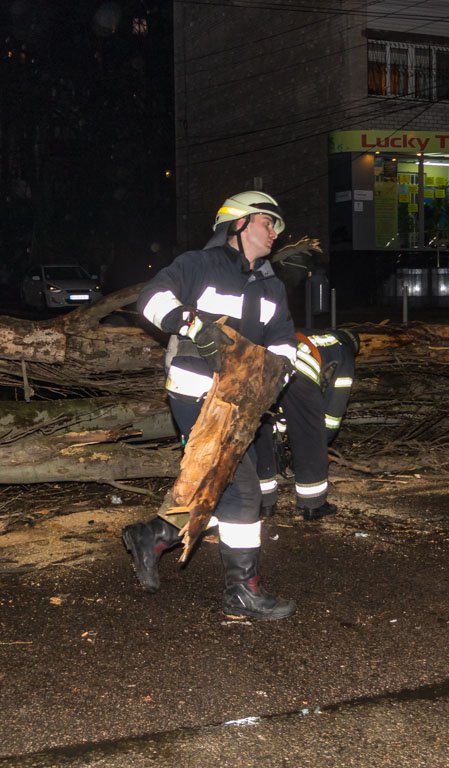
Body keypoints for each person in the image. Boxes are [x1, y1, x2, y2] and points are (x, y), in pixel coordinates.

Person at [124, 190, 299, 621]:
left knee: (213, 484)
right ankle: (242, 592)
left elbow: (283, 340)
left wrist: (280, 372)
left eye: (275, 225)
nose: (274, 232)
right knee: (240, 491)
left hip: (242, 401)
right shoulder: (198, 265)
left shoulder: (272, 284)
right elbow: (151, 299)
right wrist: (190, 322)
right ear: (238, 224)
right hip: (197, 394)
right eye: (266, 222)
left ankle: (153, 535)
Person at [253, 328, 360, 521]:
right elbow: (335, 407)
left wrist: (282, 435)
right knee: (309, 431)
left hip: (264, 365)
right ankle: (313, 504)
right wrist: (321, 438)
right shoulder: (344, 351)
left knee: (262, 429)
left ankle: (263, 503)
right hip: (298, 369)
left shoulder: (317, 337)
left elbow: (283, 408)